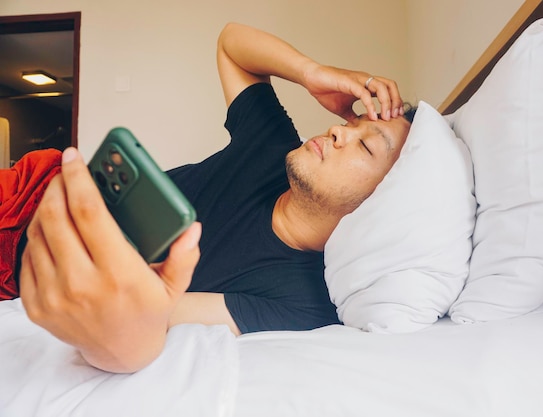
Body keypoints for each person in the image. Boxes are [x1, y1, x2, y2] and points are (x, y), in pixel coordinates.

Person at [17, 22, 413, 373]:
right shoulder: (272, 145)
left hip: (31, 261)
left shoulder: (305, 299)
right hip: (34, 187)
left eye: (366, 147)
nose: (339, 131)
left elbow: (153, 319)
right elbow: (232, 43)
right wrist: (313, 73)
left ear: (382, 203)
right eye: (353, 122)